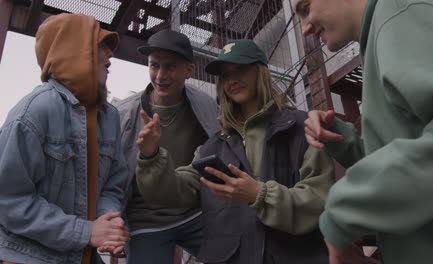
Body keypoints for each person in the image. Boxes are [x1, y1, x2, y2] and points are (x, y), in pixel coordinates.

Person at [290, 0, 433, 263]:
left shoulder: (400, 11)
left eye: (306, 7)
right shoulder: (385, 29)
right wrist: (343, 140)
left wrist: (344, 209)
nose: (304, 28)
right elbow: (415, 150)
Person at [135, 39, 335, 264]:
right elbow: (173, 191)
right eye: (225, 75)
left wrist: (258, 194)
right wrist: (151, 156)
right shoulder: (211, 147)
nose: (232, 80)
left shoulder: (303, 127)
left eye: (240, 70)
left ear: (261, 73)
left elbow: (320, 202)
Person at [0, 13, 130, 264]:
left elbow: (113, 185)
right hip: (28, 257)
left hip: (83, 256)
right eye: (100, 46)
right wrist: (87, 232)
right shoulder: (33, 112)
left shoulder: (109, 116)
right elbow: (8, 201)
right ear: (74, 51)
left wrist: (109, 223)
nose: (110, 55)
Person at [114, 29, 219, 264]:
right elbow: (110, 174)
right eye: (154, 65)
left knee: (239, 253)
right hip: (145, 220)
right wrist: (114, 219)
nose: (160, 75)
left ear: (189, 70)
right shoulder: (123, 114)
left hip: (195, 211)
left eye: (170, 66)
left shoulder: (206, 105)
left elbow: (219, 149)